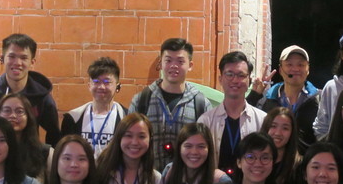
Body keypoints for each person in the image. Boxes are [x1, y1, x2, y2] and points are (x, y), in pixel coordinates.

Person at [129, 37, 211, 170]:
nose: (174, 65)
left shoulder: (200, 103)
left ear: (190, 66)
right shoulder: (141, 100)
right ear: (160, 63)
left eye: (180, 61)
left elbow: (207, 147)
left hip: (186, 182)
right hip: (148, 181)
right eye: (168, 60)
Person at [0, 34, 61, 144]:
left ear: (32, 62)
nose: (17, 63)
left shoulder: (42, 98)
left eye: (24, 58)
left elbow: (54, 135)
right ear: (2, 59)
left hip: (27, 158)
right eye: (12, 56)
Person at [202, 51, 268, 175]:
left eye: (241, 75)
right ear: (220, 79)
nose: (235, 80)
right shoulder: (206, 121)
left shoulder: (262, 120)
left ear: (249, 80)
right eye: (229, 74)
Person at [249, 45, 321, 152]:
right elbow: (244, 121)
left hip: (306, 164)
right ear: (281, 69)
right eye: (289, 64)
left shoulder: (320, 100)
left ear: (308, 69)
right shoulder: (266, 100)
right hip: (273, 163)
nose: (295, 69)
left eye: (301, 64)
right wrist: (254, 95)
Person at [60, 56, 127, 158]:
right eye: (96, 82)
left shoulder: (126, 118)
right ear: (89, 85)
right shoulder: (73, 119)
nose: (101, 87)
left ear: (118, 86)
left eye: (107, 82)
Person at [0, 91, 51, 183]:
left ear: (28, 117)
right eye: (7, 110)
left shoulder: (46, 153)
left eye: (19, 111)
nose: (13, 116)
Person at [263, 106, 301, 184]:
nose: (278, 133)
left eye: (285, 128)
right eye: (273, 126)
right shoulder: (254, 162)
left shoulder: (299, 166)